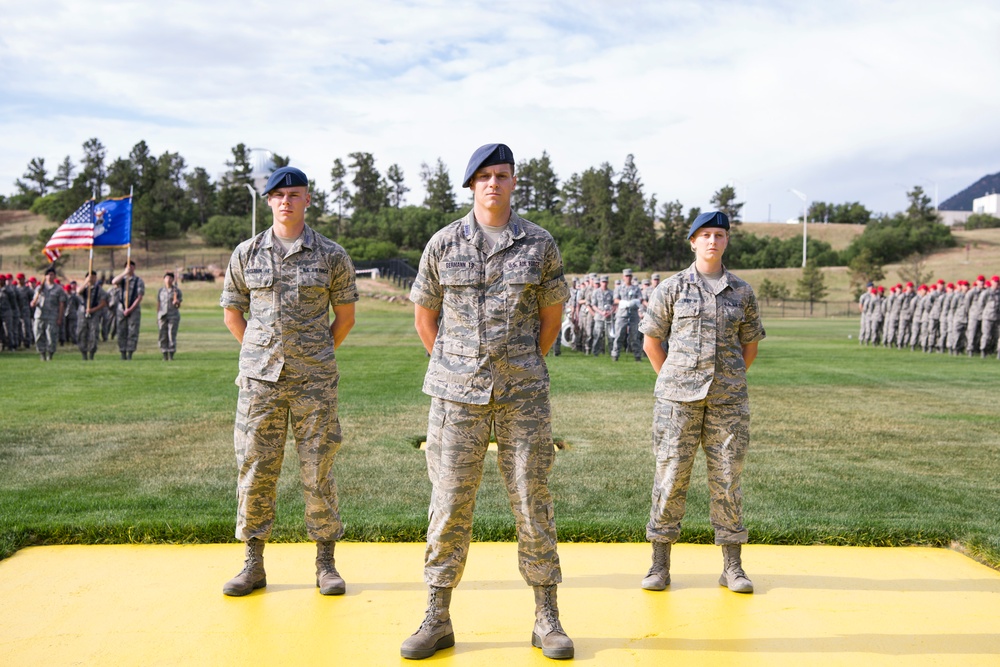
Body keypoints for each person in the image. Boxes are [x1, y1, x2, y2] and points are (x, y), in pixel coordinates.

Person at [402, 143, 573, 660]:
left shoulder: (539, 245)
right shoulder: (443, 243)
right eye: (483, 177)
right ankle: (437, 615)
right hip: (456, 399)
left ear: (514, 182)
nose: (493, 184)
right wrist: (461, 367)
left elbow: (552, 317)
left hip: (522, 397)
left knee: (532, 501)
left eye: (501, 175)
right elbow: (425, 318)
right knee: (449, 504)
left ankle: (547, 616)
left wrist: (516, 364)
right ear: (472, 186)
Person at [220, 166, 358, 599]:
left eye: (294, 194)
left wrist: (312, 355)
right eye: (278, 195)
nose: (286, 202)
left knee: (319, 469)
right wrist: (263, 354)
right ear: (268, 202)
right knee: (256, 469)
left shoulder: (332, 255)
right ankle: (253, 562)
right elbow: (232, 313)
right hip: (260, 385)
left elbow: (346, 318)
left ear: (308, 199)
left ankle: (325, 562)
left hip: (314, 384)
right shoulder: (246, 253)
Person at [638, 211, 766, 595]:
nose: (712, 241)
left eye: (720, 235)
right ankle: (659, 565)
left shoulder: (742, 292)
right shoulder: (672, 288)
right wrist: (673, 380)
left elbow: (750, 346)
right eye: (705, 234)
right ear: (692, 241)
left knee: (727, 479)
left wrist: (727, 379)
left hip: (727, 402)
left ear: (727, 242)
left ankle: (733, 566)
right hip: (677, 401)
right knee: (671, 477)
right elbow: (651, 342)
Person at [30, 268, 66, 361]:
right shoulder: (40, 288)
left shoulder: (58, 289)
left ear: (54, 276)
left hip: (52, 316)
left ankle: (50, 354)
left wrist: (60, 317)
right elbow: (35, 300)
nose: (50, 276)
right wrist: (33, 303)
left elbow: (61, 304)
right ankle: (42, 353)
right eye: (48, 275)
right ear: (45, 276)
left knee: (51, 336)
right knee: (38, 335)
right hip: (40, 315)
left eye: (52, 274)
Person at [112, 260, 144, 360]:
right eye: (128, 267)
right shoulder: (122, 279)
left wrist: (130, 309)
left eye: (131, 267)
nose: (130, 269)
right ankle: (122, 352)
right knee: (121, 331)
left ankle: (130, 353)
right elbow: (114, 282)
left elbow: (139, 297)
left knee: (132, 331)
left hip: (133, 309)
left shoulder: (138, 281)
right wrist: (124, 273)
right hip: (121, 309)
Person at [612, 268, 643, 361]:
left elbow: (640, 299)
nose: (628, 278)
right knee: (619, 335)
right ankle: (615, 355)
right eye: (626, 276)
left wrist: (635, 301)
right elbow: (615, 300)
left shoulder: (636, 288)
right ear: (623, 277)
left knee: (635, 336)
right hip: (622, 315)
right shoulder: (619, 288)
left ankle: (637, 356)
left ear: (631, 277)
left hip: (633, 315)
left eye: (629, 276)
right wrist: (623, 302)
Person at [77, 271, 108, 360]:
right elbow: (78, 291)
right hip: (82, 313)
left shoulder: (100, 290)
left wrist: (92, 310)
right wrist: (86, 281)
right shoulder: (84, 288)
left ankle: (91, 353)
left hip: (94, 314)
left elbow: (103, 303)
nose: (92, 279)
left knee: (93, 333)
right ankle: (83, 353)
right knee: (82, 333)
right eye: (91, 277)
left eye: (94, 277)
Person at [157, 272, 183, 360]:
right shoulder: (161, 291)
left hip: (173, 315)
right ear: (164, 279)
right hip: (162, 315)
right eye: (167, 278)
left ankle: (171, 354)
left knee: (171, 335)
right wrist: (158, 315)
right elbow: (158, 303)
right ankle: (164, 354)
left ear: (173, 280)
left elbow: (178, 305)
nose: (168, 280)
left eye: (170, 278)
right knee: (162, 335)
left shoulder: (176, 291)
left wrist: (176, 302)